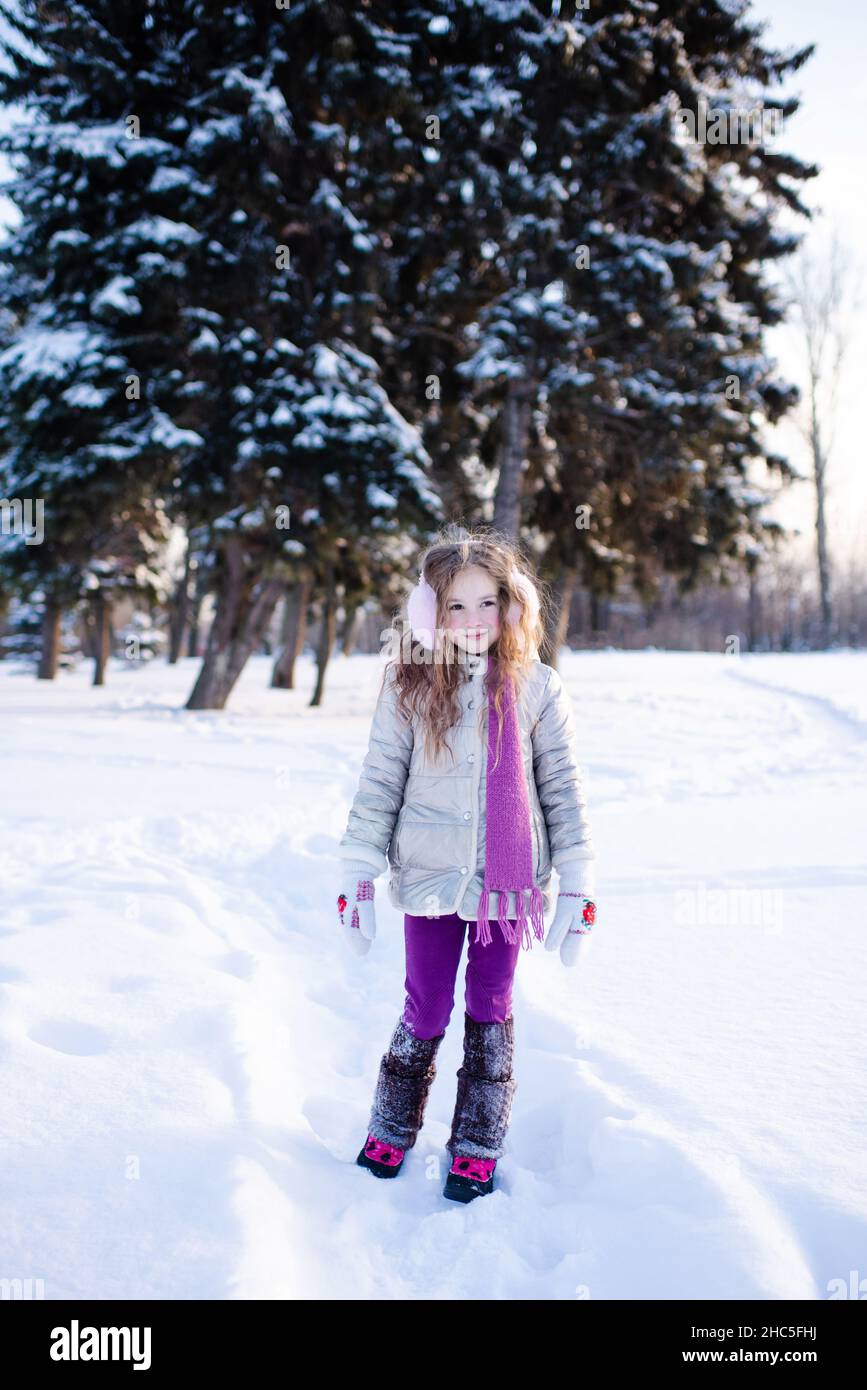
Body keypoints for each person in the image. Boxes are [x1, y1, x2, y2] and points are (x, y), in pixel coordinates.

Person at [336, 525, 596, 1202]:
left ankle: (477, 1143)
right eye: (456, 605)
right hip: (426, 882)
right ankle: (390, 1128)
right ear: (431, 612)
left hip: (506, 893)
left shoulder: (538, 688)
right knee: (424, 1006)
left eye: (487, 603)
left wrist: (578, 882)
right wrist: (356, 872)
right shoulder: (408, 686)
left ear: (511, 607)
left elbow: (563, 791)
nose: (473, 620)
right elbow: (378, 784)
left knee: (490, 1006)